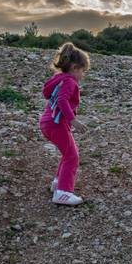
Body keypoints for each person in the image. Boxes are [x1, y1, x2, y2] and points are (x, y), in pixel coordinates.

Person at [39, 42, 89, 206]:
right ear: (75, 67)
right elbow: (62, 100)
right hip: (56, 124)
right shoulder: (70, 81)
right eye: (83, 71)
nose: (83, 74)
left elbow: (46, 92)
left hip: (47, 122)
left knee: (68, 153)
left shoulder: (58, 78)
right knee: (72, 156)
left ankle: (57, 183)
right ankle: (63, 192)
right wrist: (73, 120)